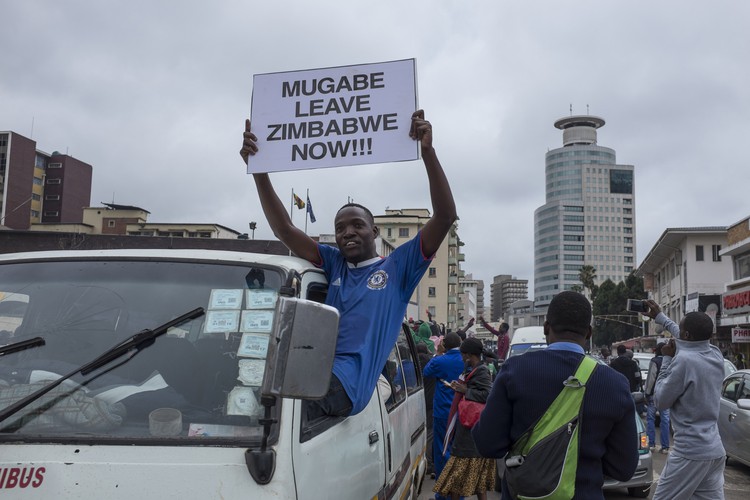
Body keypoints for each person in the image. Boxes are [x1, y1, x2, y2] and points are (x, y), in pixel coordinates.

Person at [240, 110, 458, 419]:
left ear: (375, 231)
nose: (347, 233)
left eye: (356, 225)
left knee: (262, 413)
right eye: (340, 228)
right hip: (315, 375)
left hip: (344, 387)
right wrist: (259, 169)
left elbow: (445, 216)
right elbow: (285, 230)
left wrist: (428, 153)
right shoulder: (334, 263)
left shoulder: (398, 267)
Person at [472, 291, 638, 499]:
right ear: (589, 333)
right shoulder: (615, 384)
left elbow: (487, 444)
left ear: (546, 327)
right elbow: (624, 468)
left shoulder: (514, 371)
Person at [642, 300, 726, 500]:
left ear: (686, 336)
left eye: (680, 330)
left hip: (690, 452)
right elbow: (687, 336)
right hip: (715, 450)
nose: (676, 334)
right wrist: (660, 317)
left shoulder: (683, 361)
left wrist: (667, 359)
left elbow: (661, 401)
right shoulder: (715, 353)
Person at [433, 338, 494, 499]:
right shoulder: (473, 368)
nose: (460, 358)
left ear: (468, 355)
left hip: (470, 434)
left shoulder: (481, 371)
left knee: (457, 481)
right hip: (470, 433)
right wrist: (459, 388)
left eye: (462, 355)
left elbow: (488, 395)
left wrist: (465, 390)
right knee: (477, 483)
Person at [423, 332, 464, 499]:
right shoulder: (465, 359)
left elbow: (426, 371)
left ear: (444, 345)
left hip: (442, 413)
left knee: (442, 451)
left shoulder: (440, 360)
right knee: (459, 452)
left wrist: (439, 353)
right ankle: (458, 494)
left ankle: (443, 493)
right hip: (461, 411)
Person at [643, 342, 670, 453]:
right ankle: (665, 446)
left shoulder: (654, 362)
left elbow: (651, 378)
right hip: (666, 394)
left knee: (650, 419)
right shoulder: (670, 361)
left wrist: (647, 393)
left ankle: (651, 444)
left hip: (654, 395)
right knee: (665, 420)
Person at [417, 343, 436, 475]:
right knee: (430, 433)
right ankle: (429, 462)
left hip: (416, 403)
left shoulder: (413, 365)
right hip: (431, 403)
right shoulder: (432, 365)